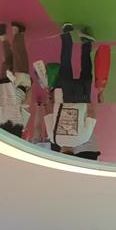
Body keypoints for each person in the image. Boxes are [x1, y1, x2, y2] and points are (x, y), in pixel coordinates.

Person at [40, 25, 99, 156]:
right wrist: (50, 97)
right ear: (61, 152)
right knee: (65, 64)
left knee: (86, 71)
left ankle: (86, 42)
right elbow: (48, 112)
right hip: (61, 96)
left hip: (81, 98)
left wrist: (89, 100)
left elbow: (91, 115)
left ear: (74, 153)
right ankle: (66, 35)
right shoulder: (53, 138)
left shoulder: (83, 139)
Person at [0, 22, 32, 139]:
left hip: (19, 87)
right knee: (7, 61)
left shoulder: (21, 124)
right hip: (1, 86)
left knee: (20, 57)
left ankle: (17, 31)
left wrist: (30, 88)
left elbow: (26, 104)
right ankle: (2, 37)